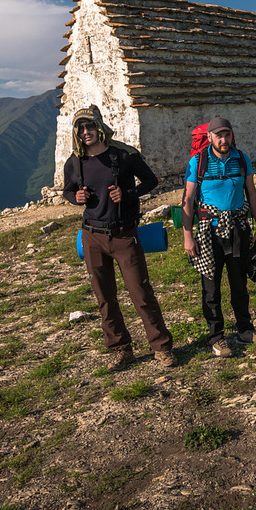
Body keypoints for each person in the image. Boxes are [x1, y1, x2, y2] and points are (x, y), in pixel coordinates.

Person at [62, 105, 175, 371]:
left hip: (124, 234)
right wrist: (74, 198)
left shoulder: (123, 155)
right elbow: (68, 191)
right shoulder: (75, 161)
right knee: (105, 298)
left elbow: (150, 180)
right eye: (81, 128)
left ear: (99, 127)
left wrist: (128, 193)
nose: (86, 132)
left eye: (90, 126)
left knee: (141, 293)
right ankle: (121, 349)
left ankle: (162, 348)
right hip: (91, 236)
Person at [182, 117, 256, 358]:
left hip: (238, 229)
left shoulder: (242, 159)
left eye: (227, 134)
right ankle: (217, 337)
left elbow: (251, 193)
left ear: (232, 135)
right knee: (211, 288)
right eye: (218, 135)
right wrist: (188, 235)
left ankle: (245, 329)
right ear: (209, 137)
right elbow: (188, 200)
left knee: (239, 283)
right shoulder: (198, 163)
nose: (223, 140)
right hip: (209, 233)